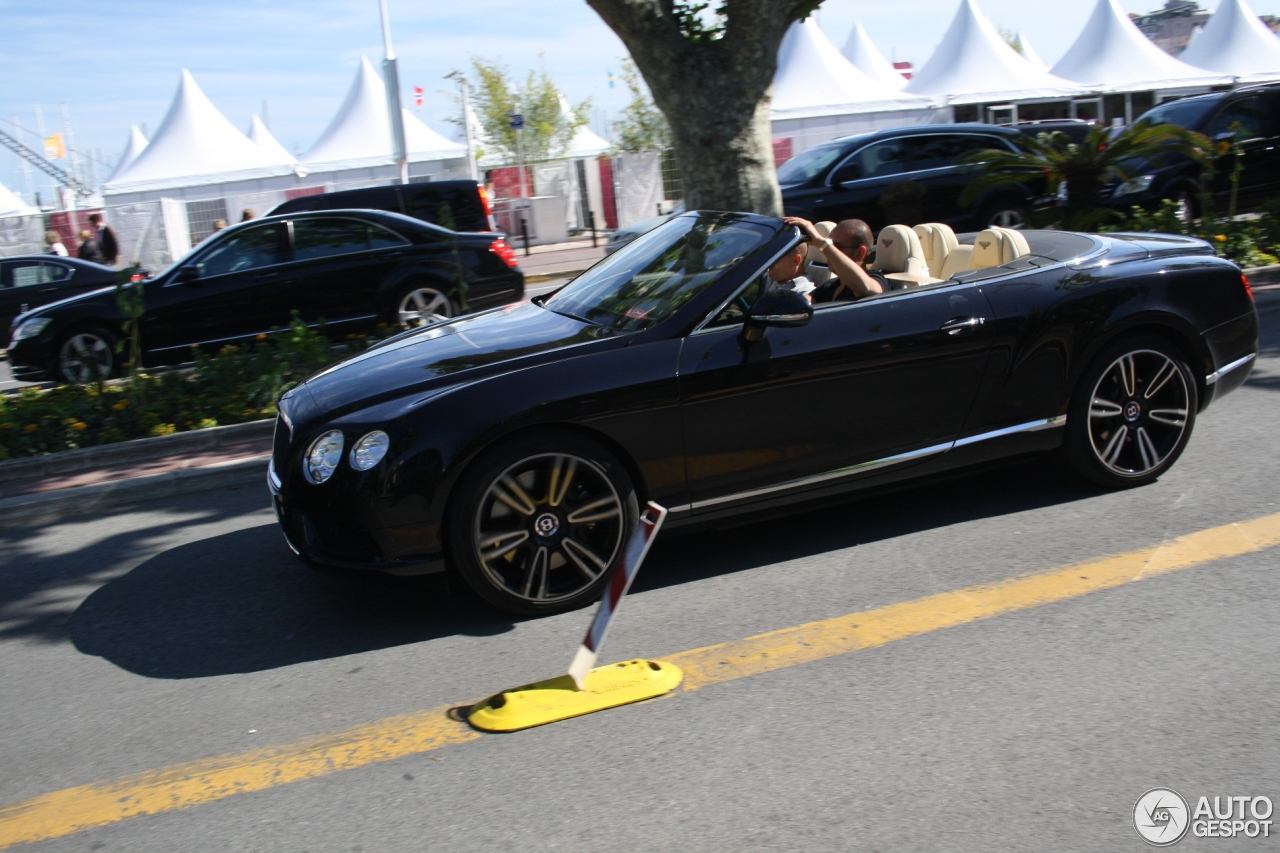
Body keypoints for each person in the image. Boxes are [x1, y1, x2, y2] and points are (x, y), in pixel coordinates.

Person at [783, 215, 887, 303]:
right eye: (830, 245)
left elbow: (867, 289)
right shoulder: (830, 286)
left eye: (837, 246)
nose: (829, 252)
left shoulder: (877, 278)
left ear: (860, 253)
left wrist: (821, 243)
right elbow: (800, 305)